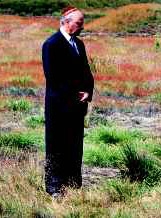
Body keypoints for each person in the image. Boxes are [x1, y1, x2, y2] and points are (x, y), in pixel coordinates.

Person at [42, 7, 94, 196]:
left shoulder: (79, 44)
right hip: (59, 106)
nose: (82, 27)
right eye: (79, 23)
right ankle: (54, 187)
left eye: (82, 23)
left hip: (77, 106)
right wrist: (74, 95)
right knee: (56, 146)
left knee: (74, 145)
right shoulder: (51, 44)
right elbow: (53, 78)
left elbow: (86, 71)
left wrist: (88, 92)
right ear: (66, 21)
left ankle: (73, 184)